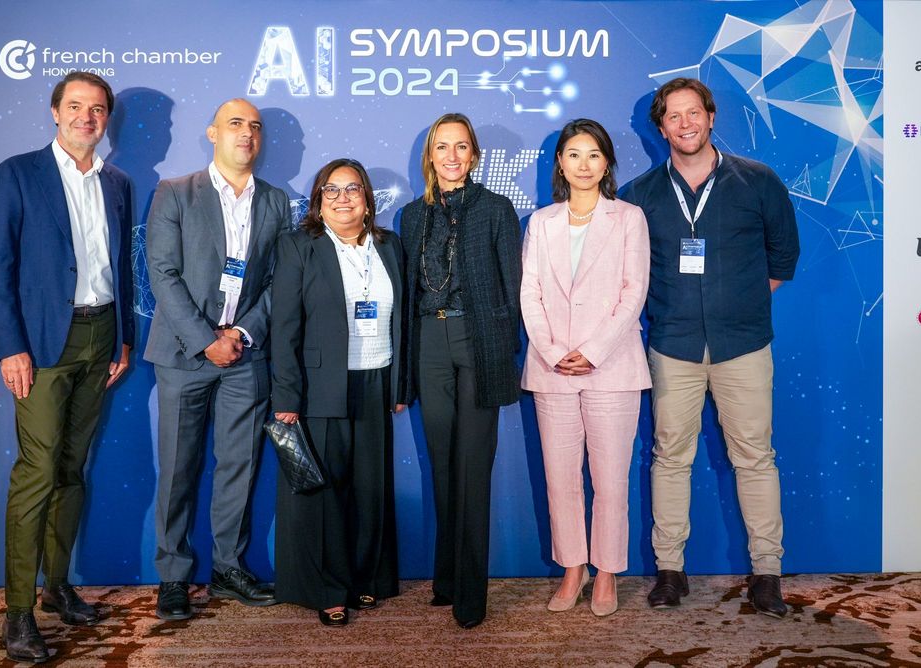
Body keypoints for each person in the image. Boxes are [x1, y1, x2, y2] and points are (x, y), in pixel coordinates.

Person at [619, 77, 800, 617]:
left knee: (756, 458)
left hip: (742, 346)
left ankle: (767, 573)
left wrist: (736, 303)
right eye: (673, 116)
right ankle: (669, 570)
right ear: (661, 127)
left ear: (711, 116)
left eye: (693, 112)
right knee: (670, 458)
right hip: (673, 347)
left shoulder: (758, 181)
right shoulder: (640, 196)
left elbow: (782, 258)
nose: (685, 124)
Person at [0, 71, 134, 663]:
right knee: (38, 470)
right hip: (42, 344)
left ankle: (57, 586)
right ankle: (18, 612)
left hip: (101, 335)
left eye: (97, 109)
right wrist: (9, 346)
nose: (86, 117)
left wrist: (123, 338)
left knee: (72, 467)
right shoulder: (16, 174)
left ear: (106, 119)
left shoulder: (117, 183)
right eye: (75, 106)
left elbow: (120, 266)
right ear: (54, 111)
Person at [144, 98, 291, 620]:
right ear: (212, 133)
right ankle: (173, 576)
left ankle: (229, 568)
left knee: (239, 465)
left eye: (255, 126)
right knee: (178, 468)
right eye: (235, 124)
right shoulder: (176, 192)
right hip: (184, 353)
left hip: (246, 355)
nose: (246, 133)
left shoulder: (276, 201)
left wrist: (242, 333)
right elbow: (162, 272)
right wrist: (206, 338)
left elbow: (279, 280)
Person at [520, 118, 650, 617]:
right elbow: (529, 292)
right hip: (552, 369)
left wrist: (593, 350)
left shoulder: (629, 218)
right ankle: (573, 568)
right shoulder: (541, 222)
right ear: (560, 162)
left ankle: (608, 572)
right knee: (561, 479)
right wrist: (553, 351)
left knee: (610, 480)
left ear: (607, 163)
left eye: (594, 154)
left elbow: (633, 292)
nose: (584, 164)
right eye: (574, 154)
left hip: (612, 368)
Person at [270, 159, 406, 626]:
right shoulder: (298, 246)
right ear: (318, 200)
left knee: (370, 489)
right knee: (324, 494)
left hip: (376, 381)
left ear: (367, 199)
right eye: (332, 190)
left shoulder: (389, 246)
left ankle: (365, 578)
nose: (343, 198)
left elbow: (403, 319)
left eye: (352, 189)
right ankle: (328, 589)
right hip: (318, 387)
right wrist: (286, 398)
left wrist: (400, 383)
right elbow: (284, 327)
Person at [399, 113, 521, 629]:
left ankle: (471, 595)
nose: (452, 156)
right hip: (429, 342)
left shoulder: (496, 209)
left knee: (472, 468)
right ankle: (446, 579)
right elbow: (407, 296)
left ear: (474, 155)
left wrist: (505, 352)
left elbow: (513, 287)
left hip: (478, 341)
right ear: (430, 156)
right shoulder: (411, 216)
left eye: (461, 147)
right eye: (442, 147)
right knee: (442, 465)